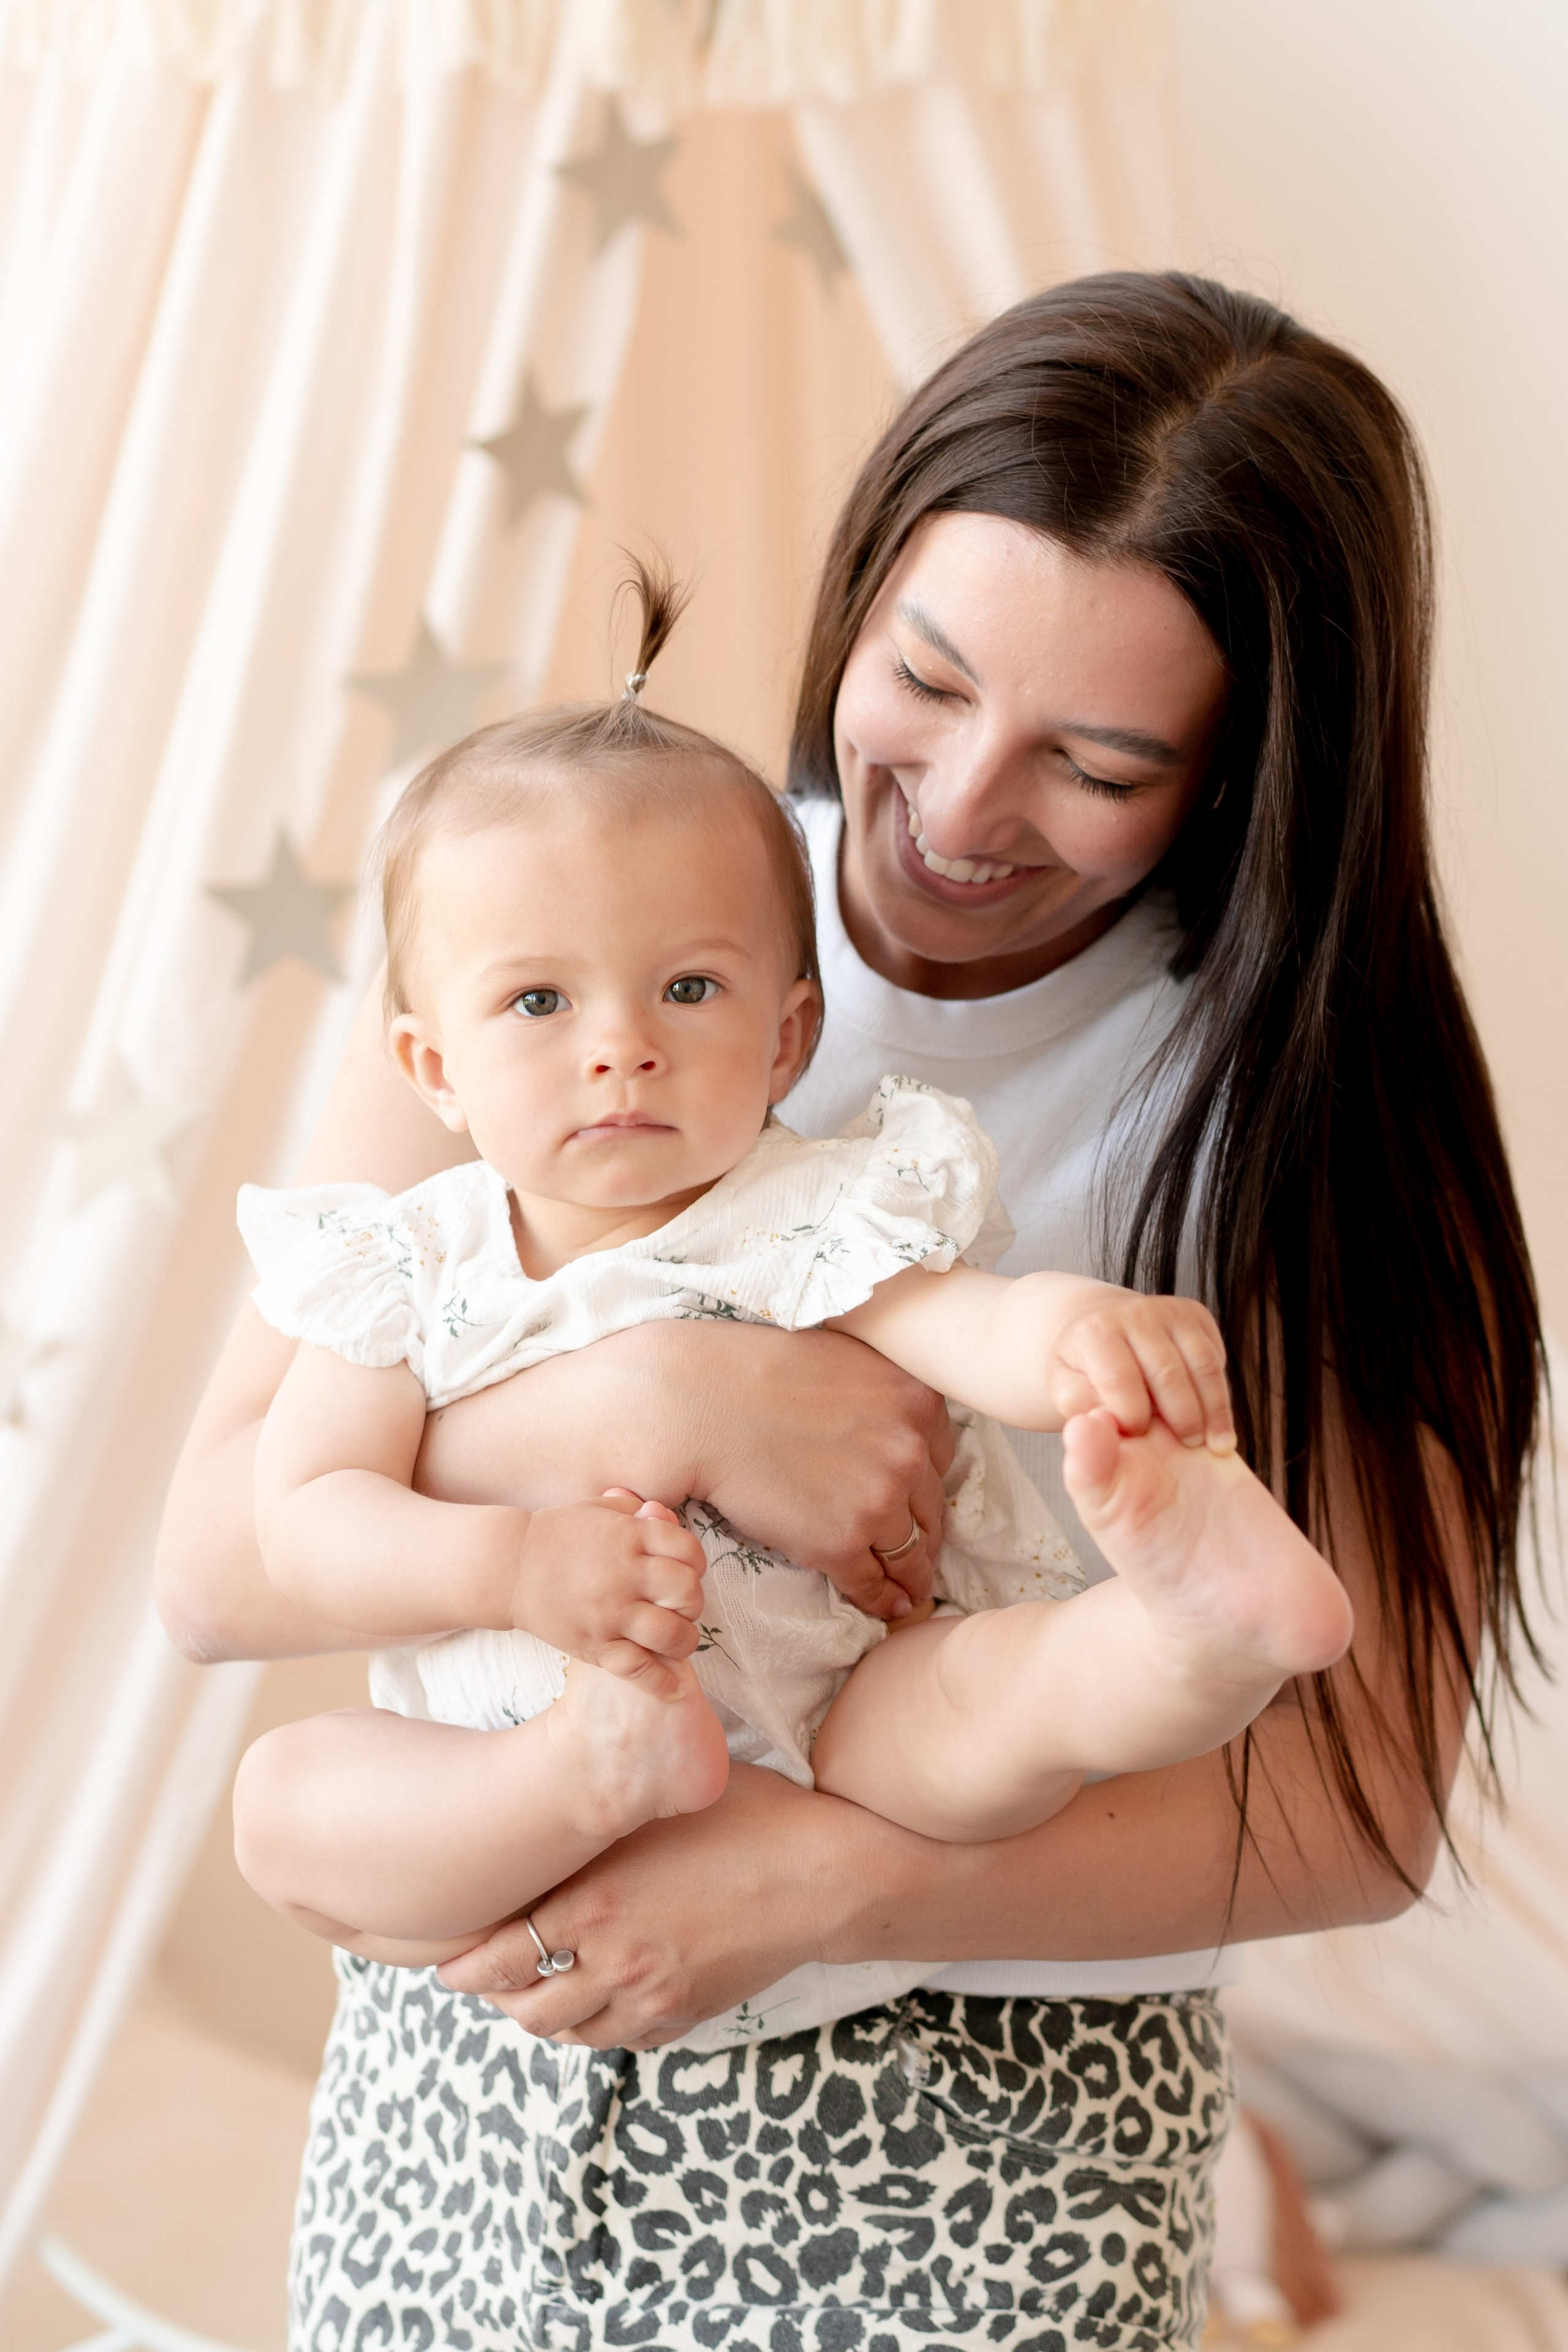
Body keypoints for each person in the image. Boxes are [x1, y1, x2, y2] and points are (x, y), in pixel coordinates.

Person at [156, 274, 1544, 2352]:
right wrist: (665, 1405)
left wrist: (849, 1883)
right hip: (495, 2059)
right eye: (926, 676)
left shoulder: (1299, 1102)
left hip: (980, 2102)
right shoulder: (570, 895)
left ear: (1246, 770)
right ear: (869, 573)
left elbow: (1361, 1810)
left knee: (1016, 1694)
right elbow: (217, 1563)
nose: (966, 810)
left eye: (1099, 760)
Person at [228, 574, 1350, 2010]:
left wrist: (1088, 1343)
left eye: (687, 990)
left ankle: (1191, 1635)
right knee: (287, 1799)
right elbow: (305, 1515)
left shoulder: (807, 1208)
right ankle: (585, 1770)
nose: (619, 1047)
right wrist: (509, 1570)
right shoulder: (408, 1268)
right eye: (539, 1002)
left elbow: (966, 1325)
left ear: (786, 1035)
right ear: (432, 1068)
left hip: (833, 1731)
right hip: (508, 1754)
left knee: (992, 1703)